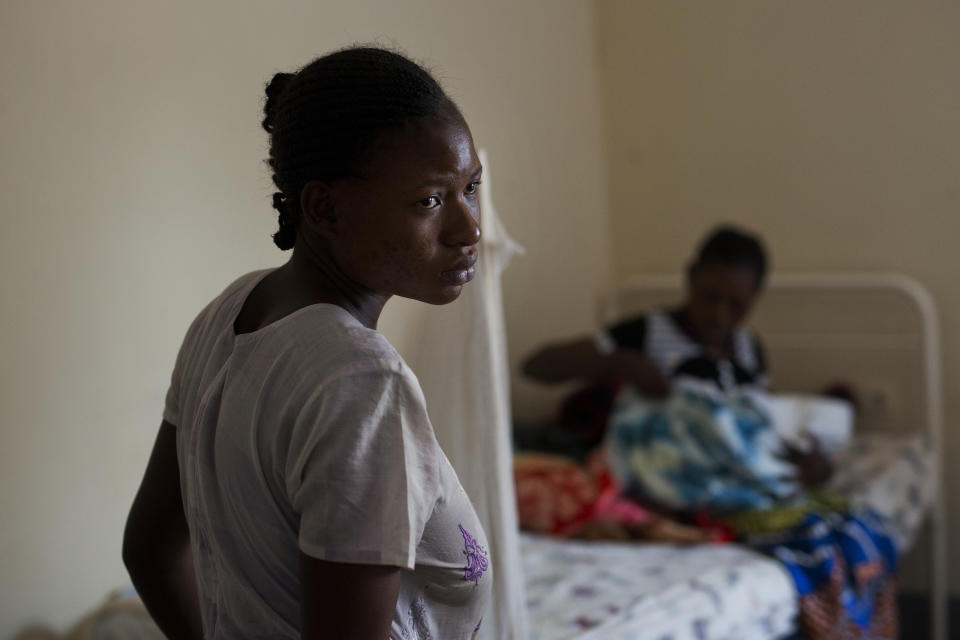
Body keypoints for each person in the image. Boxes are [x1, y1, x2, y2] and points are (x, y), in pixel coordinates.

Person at [122, 47, 491, 640]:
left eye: (471, 186)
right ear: (325, 207)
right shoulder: (363, 383)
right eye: (429, 200)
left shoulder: (229, 313)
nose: (470, 228)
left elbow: (150, 549)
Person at [522, 225, 769, 396]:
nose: (719, 315)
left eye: (736, 305)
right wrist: (615, 362)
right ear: (692, 277)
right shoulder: (646, 332)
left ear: (755, 297)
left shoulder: (750, 348)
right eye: (710, 297)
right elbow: (536, 367)